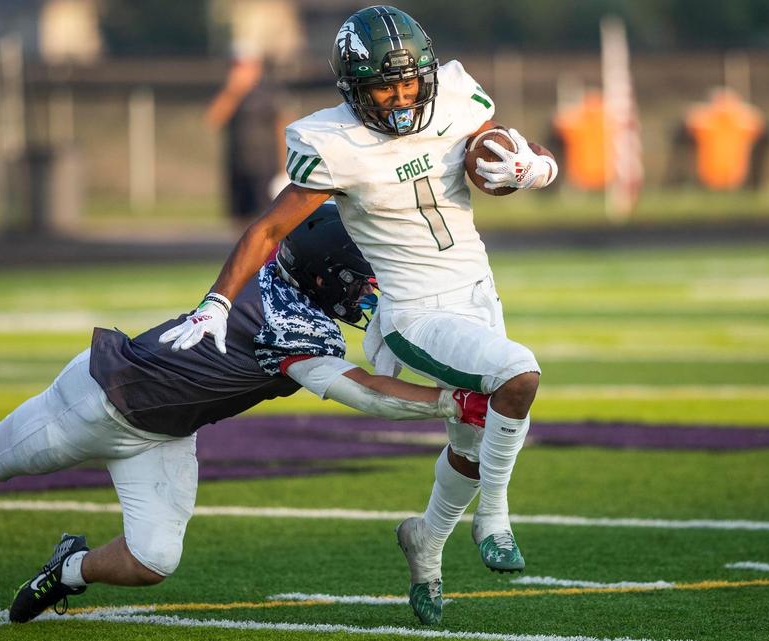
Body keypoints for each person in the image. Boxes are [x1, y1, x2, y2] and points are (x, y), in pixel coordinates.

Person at [0, 203, 490, 624]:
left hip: (165, 431)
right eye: (361, 275)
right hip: (103, 398)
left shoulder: (282, 277)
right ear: (324, 276)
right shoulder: (294, 326)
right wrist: (453, 402)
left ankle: (68, 568)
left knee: (153, 559)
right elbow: (365, 393)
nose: (371, 286)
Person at [155, 5, 558, 625]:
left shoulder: (455, 94)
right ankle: (494, 517)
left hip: (480, 294)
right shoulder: (333, 142)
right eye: (384, 87)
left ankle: (425, 541)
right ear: (354, 89)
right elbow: (268, 230)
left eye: (409, 83)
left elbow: (509, 149)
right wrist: (218, 299)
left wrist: (535, 169)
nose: (401, 98)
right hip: (415, 313)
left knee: (473, 439)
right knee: (519, 374)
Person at [205, 54, 291, 227]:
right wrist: (233, 91)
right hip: (238, 165)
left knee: (265, 218)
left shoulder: (270, 92)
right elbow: (213, 119)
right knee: (239, 218)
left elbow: (283, 129)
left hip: (265, 167)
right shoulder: (231, 93)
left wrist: (284, 167)